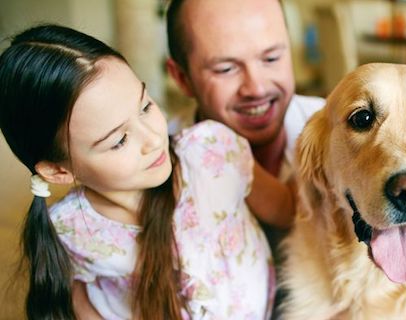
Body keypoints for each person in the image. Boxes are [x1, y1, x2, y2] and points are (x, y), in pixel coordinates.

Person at [0, 24, 294, 319]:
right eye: (120, 140)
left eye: (144, 106)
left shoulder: (212, 153)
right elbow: (77, 301)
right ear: (58, 171)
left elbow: (289, 209)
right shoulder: (71, 228)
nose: (154, 138)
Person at [164, 0, 406, 251]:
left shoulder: (328, 120)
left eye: (272, 58)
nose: (257, 87)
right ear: (181, 78)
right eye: (226, 68)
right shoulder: (154, 167)